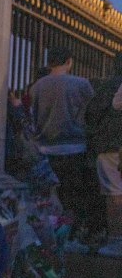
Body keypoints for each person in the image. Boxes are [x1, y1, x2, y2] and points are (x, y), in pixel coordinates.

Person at [29, 47, 100, 240]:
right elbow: (92, 112)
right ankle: (71, 231)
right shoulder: (82, 84)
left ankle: (52, 230)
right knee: (73, 195)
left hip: (45, 149)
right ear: (69, 61)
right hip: (75, 147)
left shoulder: (37, 87)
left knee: (49, 196)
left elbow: (32, 118)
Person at [85, 52, 122, 256]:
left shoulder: (110, 86)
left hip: (110, 146)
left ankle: (116, 239)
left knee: (114, 193)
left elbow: (92, 113)